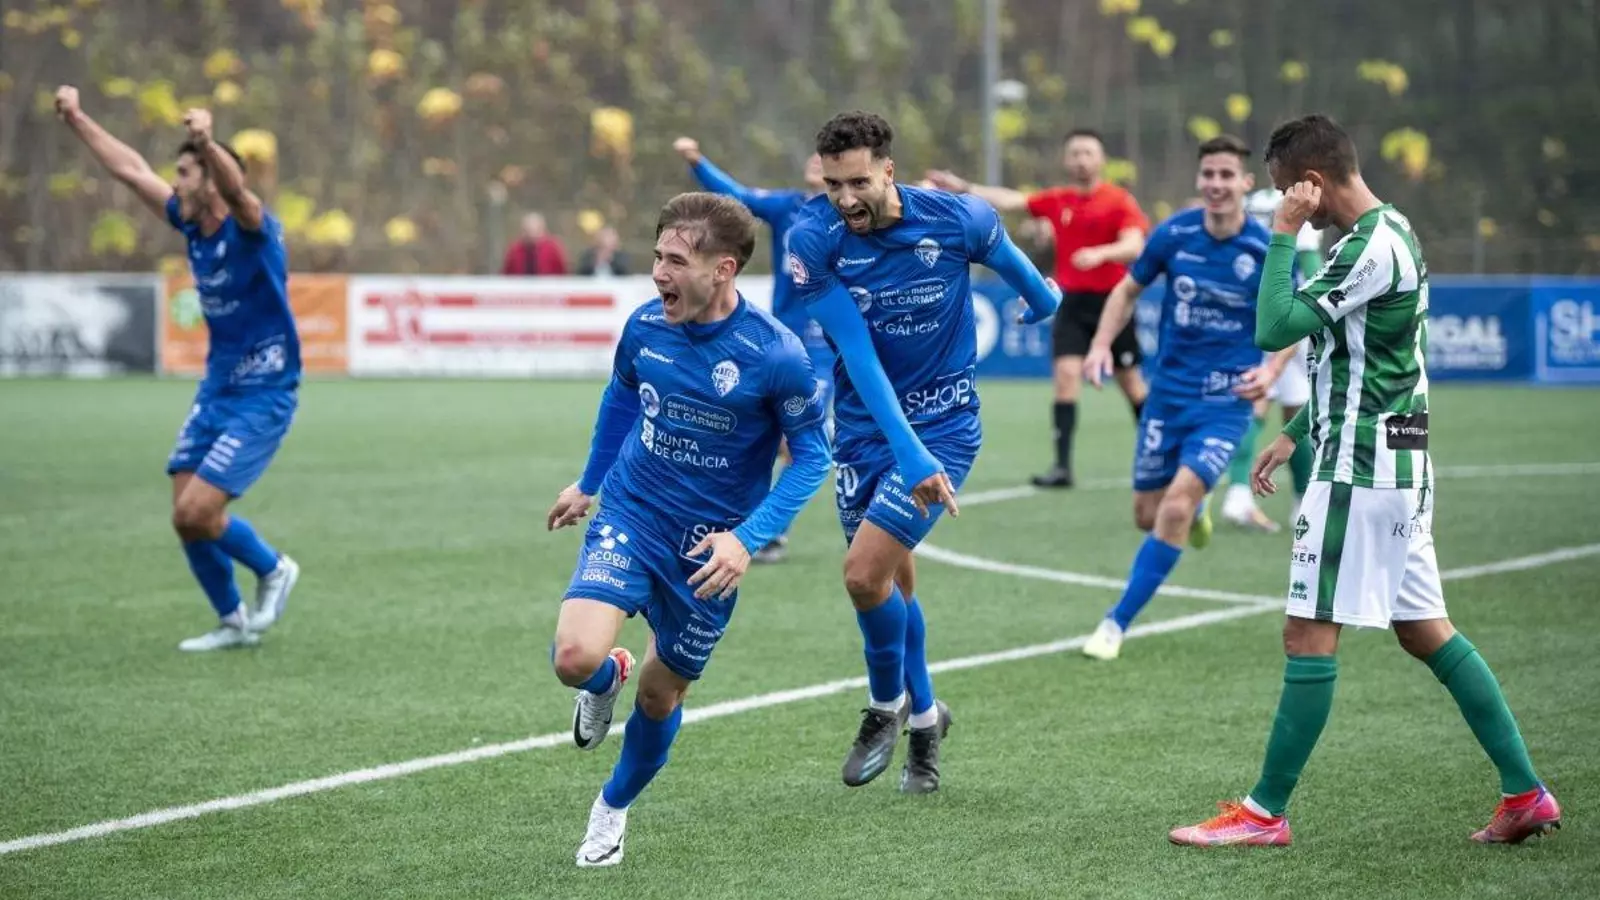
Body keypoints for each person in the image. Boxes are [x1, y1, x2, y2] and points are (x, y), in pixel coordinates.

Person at [1169, 115, 1561, 847]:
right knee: (1425, 631)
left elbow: (1273, 328)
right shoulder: (1387, 232)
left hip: (1361, 471)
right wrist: (1294, 431)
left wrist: (1282, 235)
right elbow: (1368, 362)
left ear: (1313, 182)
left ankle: (1263, 815)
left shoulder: (1368, 246)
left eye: (1288, 190)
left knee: (1307, 634)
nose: (1286, 202)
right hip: (1392, 461)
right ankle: (1526, 793)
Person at [545, 192, 830, 867]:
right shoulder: (646, 326)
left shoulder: (777, 355)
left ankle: (612, 806)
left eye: (676, 261)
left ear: (723, 269)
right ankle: (602, 679)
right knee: (573, 658)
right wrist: (589, 483)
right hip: (632, 511)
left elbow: (813, 458)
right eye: (657, 256)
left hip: (708, 552)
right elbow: (621, 397)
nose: (658, 273)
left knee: (659, 693)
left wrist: (746, 539)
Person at [786, 111, 1060, 793]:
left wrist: (1040, 299)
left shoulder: (958, 218)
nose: (844, 199)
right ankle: (929, 720)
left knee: (861, 577)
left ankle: (887, 706)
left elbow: (1028, 277)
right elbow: (858, 355)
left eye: (858, 182)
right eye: (832, 185)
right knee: (893, 585)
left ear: (888, 170)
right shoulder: (812, 240)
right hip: (864, 432)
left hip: (944, 429)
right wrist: (902, 453)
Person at [55, 86, 300, 652]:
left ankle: (274, 567)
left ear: (210, 181)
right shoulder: (190, 224)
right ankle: (232, 621)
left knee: (199, 510)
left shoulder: (253, 229)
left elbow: (238, 192)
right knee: (184, 516)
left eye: (185, 173)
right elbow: (130, 170)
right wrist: (77, 118)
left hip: (265, 391)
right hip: (218, 389)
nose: (175, 182)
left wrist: (207, 143)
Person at [1079, 136, 1294, 661]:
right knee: (1146, 514)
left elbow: (1293, 318)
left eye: (1227, 175)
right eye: (1209, 175)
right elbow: (1127, 290)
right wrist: (1101, 344)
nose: (1217, 184)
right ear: (1199, 180)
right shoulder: (1174, 233)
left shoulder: (1265, 249)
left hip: (1226, 403)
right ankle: (1197, 509)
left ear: (1245, 183)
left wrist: (1270, 370)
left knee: (1172, 508)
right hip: (1167, 397)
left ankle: (1114, 624)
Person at [926, 129, 1148, 488]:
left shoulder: (1119, 201)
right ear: (1066, 160)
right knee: (1065, 379)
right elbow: (1012, 200)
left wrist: (1101, 253)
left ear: (1102, 160)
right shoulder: (1059, 199)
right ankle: (1062, 467)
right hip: (1072, 302)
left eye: (1088, 153)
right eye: (1074, 153)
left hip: (1113, 302)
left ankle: (1157, 453)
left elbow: (1135, 245)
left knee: (1132, 385)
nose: (1081, 160)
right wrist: (964, 187)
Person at [674, 135, 833, 564]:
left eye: (827, 158)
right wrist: (698, 162)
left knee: (794, 444)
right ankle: (742, 522)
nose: (816, 160)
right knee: (757, 433)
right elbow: (737, 197)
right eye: (815, 155)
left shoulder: (852, 219)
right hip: (779, 342)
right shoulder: (788, 207)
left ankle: (770, 533)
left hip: (824, 349)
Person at [1217, 188, 1323, 532]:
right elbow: (1313, 278)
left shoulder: (1254, 205)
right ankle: (1299, 503)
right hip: (1293, 320)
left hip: (1257, 318)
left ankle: (1241, 495)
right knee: (1293, 410)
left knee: (1260, 405)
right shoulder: (1301, 204)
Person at [500, 212, 569, 276]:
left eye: (535, 230)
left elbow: (562, 272)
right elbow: (507, 273)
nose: (531, 235)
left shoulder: (553, 249)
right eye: (527, 230)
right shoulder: (514, 250)